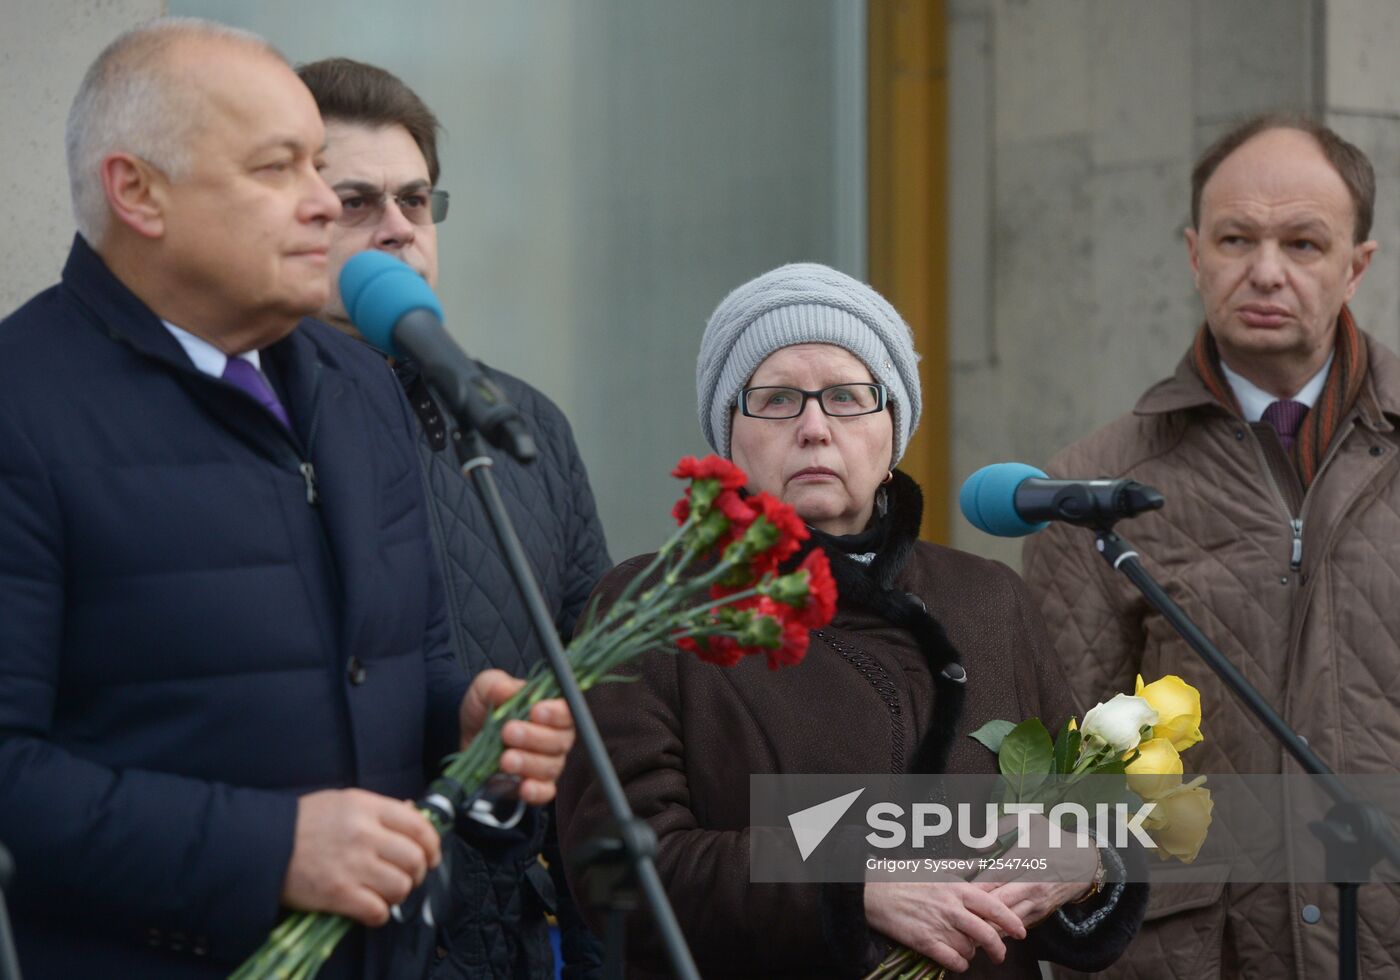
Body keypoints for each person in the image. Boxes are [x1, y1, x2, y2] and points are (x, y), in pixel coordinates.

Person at [0, 19, 575, 979]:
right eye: (280, 170)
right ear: (136, 190)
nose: (322, 205)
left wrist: (466, 729)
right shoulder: (22, 406)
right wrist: (268, 850)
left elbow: (414, 667)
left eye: (319, 166)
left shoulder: (359, 389)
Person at [555, 263, 1147, 978]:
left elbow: (1091, 812)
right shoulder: (653, 609)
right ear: (727, 438)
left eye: (846, 397)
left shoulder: (989, 599)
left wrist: (1085, 861)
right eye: (775, 400)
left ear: (892, 432)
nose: (813, 427)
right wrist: (848, 883)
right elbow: (615, 874)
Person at [1022, 114, 1400, 978]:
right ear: (1196, 254)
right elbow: (1059, 779)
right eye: (1236, 238)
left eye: (1304, 243)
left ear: (1357, 265)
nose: (1265, 270)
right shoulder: (1092, 491)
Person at [294, 56, 612, 978]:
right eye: (357, 202)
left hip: (506, 936)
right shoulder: (249, 426)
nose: (398, 230)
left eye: (416, 200)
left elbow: (591, 718)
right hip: (331, 934)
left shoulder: (521, 426)